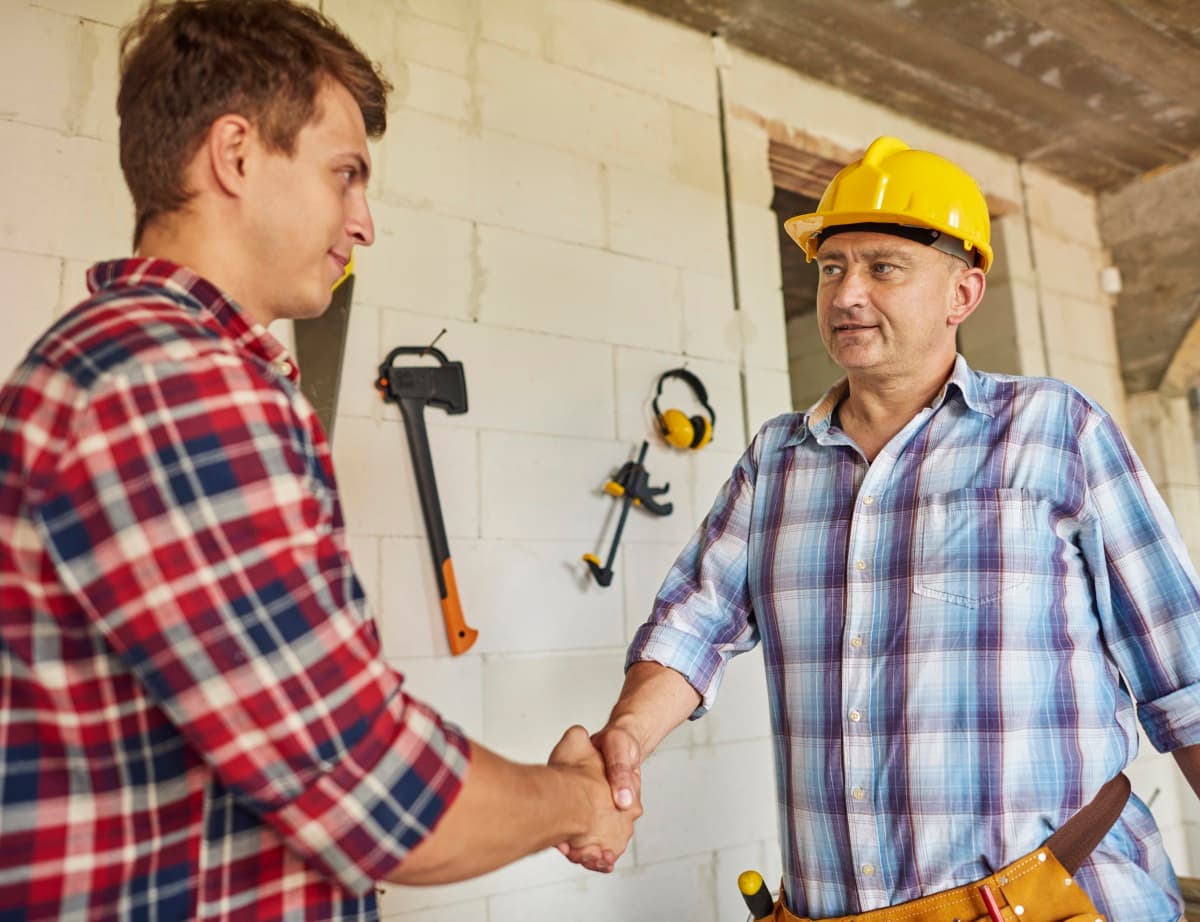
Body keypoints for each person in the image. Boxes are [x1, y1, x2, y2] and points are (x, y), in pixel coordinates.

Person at [0, 1, 636, 918]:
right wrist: (581, 802)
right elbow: (383, 799)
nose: (364, 222)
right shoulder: (180, 384)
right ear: (236, 154)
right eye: (346, 175)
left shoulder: (133, 364)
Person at [565, 136, 1200, 920]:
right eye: (832, 267)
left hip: (1059, 900)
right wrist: (624, 737)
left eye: (883, 267)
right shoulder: (777, 460)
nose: (845, 295)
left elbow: (1186, 673)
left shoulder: (1056, 429)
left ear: (961, 294)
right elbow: (691, 629)